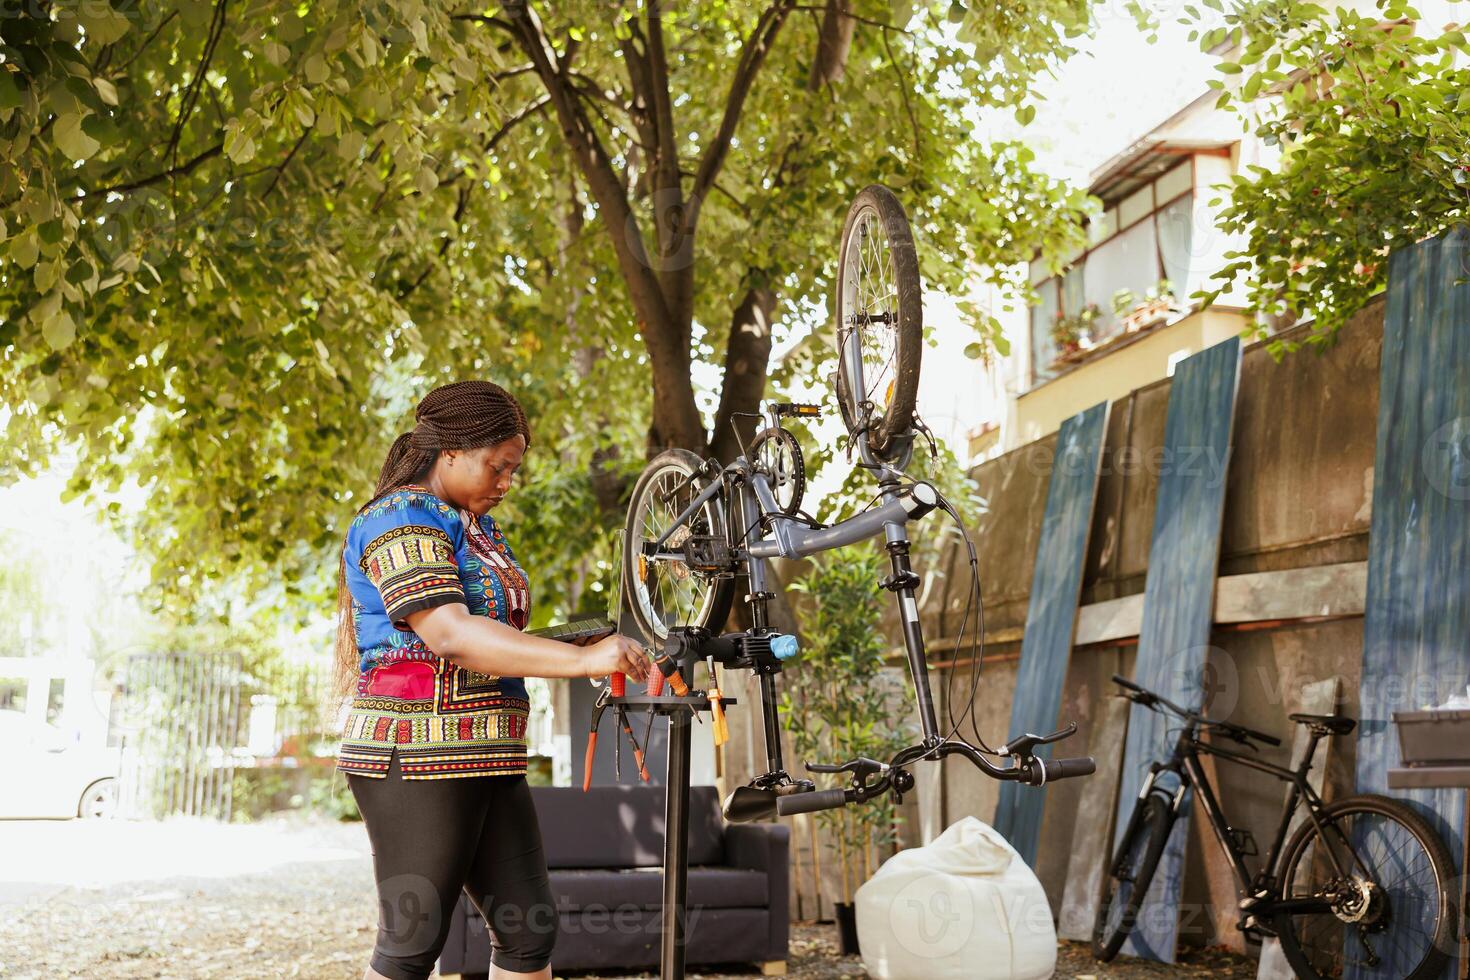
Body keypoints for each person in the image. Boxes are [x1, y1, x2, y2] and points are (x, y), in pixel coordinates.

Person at [332, 380, 649, 980]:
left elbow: (484, 632)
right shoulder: (399, 517)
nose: (506, 483)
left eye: (513, 471)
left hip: (488, 755)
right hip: (417, 752)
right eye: (498, 467)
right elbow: (450, 635)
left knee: (529, 933)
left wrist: (570, 640)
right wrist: (583, 664)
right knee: (411, 944)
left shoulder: (472, 525)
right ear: (450, 452)